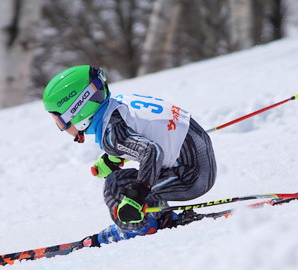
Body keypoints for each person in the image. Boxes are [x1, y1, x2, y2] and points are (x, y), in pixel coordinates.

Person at [42, 65, 217, 246]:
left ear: (78, 110)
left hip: (193, 177)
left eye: (60, 120)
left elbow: (152, 152)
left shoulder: (113, 134)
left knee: (116, 186)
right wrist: (114, 156)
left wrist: (136, 196)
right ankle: (163, 218)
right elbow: (147, 135)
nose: (62, 127)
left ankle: (138, 229)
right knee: (127, 179)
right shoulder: (119, 103)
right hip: (197, 157)